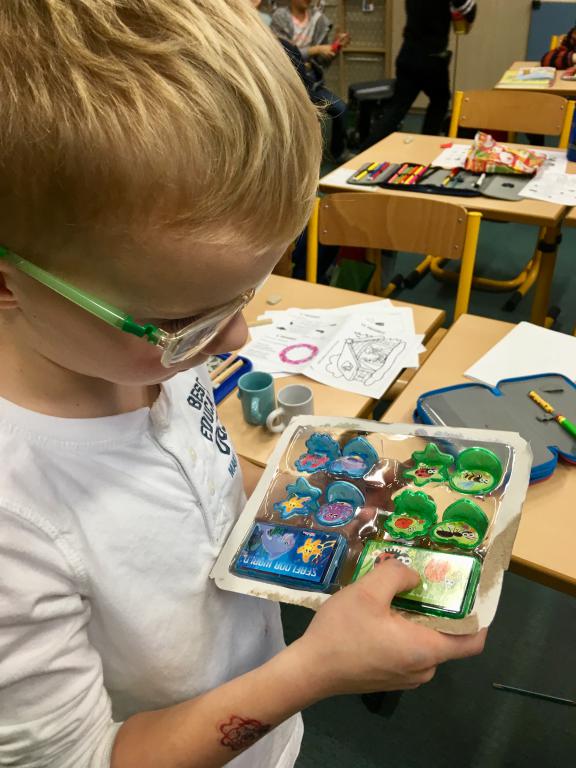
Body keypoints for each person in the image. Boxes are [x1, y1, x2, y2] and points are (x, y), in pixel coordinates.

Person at [0, 2, 486, 767]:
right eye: (185, 320)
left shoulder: (136, 358)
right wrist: (315, 670)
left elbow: (198, 474)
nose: (235, 340)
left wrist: (308, 492)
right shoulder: (15, 522)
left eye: (247, 296)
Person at [371, 0, 477, 142]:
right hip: (431, 57)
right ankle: (427, 142)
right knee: (440, 101)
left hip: (408, 53)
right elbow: (468, 11)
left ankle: (367, 148)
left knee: (397, 108)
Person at [271, 0, 352, 160]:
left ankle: (338, 151)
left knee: (341, 108)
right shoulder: (280, 17)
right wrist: (315, 50)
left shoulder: (319, 20)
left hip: (312, 82)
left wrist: (335, 48)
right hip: (288, 83)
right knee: (302, 119)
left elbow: (322, 63)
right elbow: (282, 53)